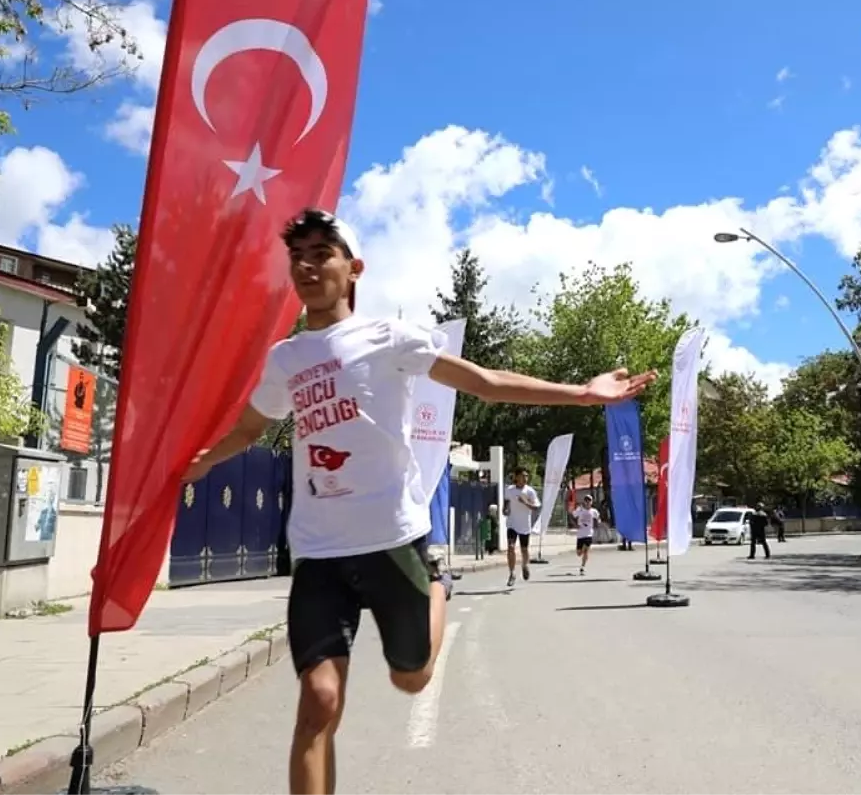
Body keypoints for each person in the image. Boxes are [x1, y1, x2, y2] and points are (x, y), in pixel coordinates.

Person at [180, 208, 656, 795]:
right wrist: (201, 458)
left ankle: (437, 587)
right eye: (296, 254)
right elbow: (250, 428)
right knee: (319, 701)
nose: (306, 265)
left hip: (390, 541)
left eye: (320, 253)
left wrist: (582, 394)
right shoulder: (286, 359)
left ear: (353, 268)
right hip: (318, 551)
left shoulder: (389, 339)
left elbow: (484, 381)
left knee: (412, 678)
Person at [504, 467, 539, 586]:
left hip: (524, 525)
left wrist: (525, 502)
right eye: (523, 476)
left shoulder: (530, 491)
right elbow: (506, 503)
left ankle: (525, 565)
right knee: (511, 547)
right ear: (516, 477)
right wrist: (505, 509)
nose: (525, 478)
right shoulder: (509, 490)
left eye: (527, 476)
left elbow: (536, 507)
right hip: (512, 524)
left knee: (524, 549)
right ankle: (512, 573)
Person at [572, 494, 601, 575]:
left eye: (589, 501)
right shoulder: (580, 510)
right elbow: (572, 515)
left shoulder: (594, 511)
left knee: (585, 551)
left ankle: (582, 567)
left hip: (589, 534)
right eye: (586, 500)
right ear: (584, 502)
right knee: (579, 553)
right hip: (580, 534)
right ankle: (582, 561)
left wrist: (598, 523)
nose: (588, 502)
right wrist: (575, 524)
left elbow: (598, 519)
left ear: (591, 502)